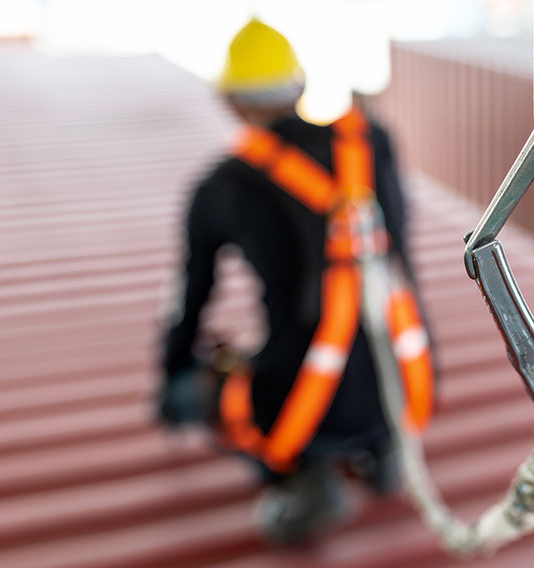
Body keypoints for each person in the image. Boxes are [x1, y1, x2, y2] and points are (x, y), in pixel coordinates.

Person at [156, 18, 434, 545]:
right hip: (406, 378)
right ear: (300, 87)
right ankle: (380, 453)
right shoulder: (371, 140)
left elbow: (190, 301)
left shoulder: (222, 186)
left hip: (301, 404)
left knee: (196, 389)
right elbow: (399, 253)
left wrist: (172, 377)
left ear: (231, 102)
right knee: (354, 338)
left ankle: (303, 477)